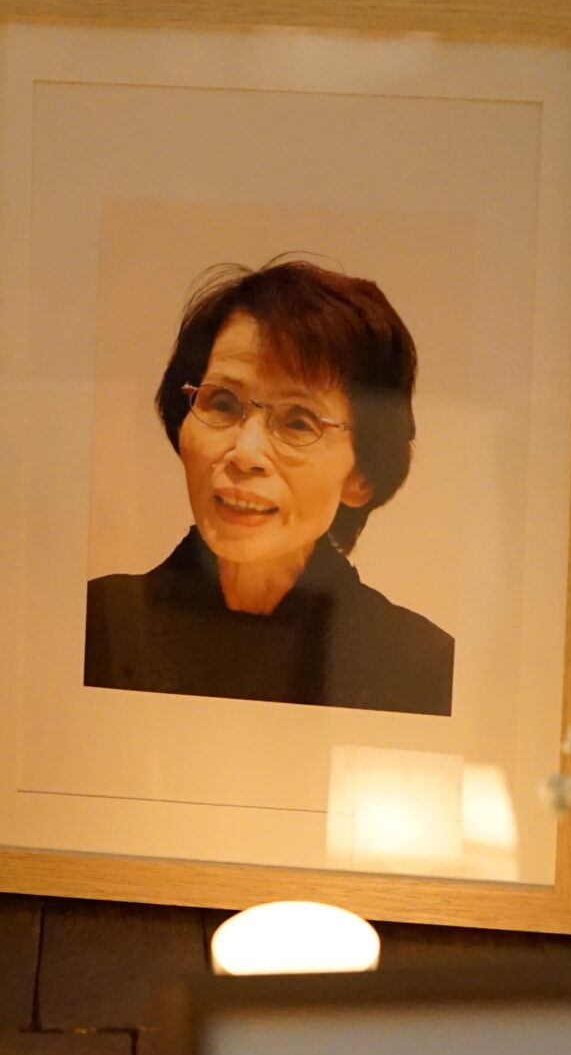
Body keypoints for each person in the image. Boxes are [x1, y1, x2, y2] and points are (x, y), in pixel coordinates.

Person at [85, 260, 454, 715]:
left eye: (298, 422)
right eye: (222, 402)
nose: (245, 453)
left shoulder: (422, 667)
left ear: (361, 476)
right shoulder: (97, 625)